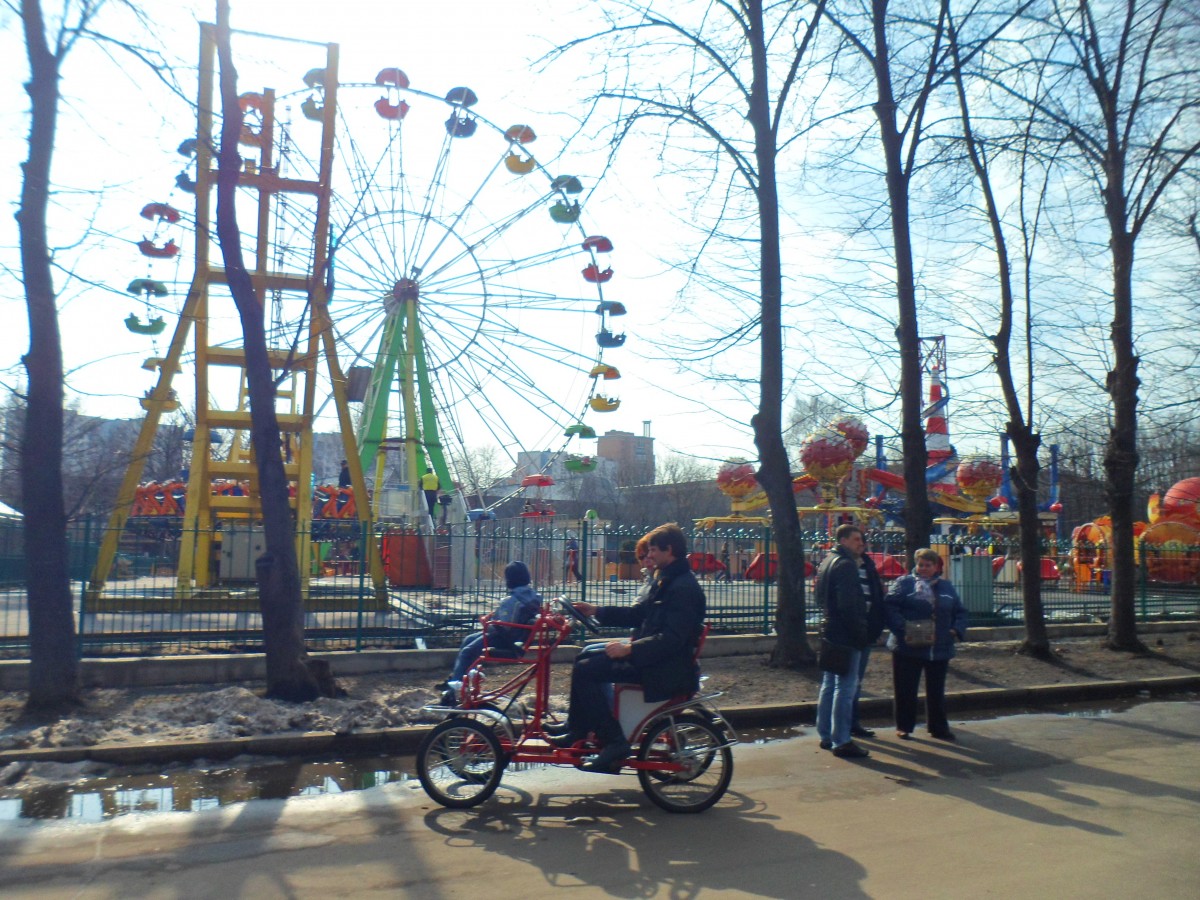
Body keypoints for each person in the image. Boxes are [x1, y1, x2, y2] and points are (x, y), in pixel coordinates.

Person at [550, 523, 706, 773]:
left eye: (653, 550)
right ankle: (578, 729)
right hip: (655, 661)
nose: (649, 556)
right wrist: (596, 611)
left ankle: (613, 741)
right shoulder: (668, 580)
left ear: (669, 550)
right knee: (583, 661)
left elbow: (671, 639)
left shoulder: (682, 588)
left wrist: (629, 650)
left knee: (588, 670)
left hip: (664, 669)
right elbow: (637, 614)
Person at [815, 523, 884, 759]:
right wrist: (859, 632)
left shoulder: (828, 561)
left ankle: (826, 734)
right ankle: (842, 740)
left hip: (831, 630)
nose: (861, 543)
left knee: (830, 684)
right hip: (847, 633)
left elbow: (819, 596)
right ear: (843, 540)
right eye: (856, 539)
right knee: (845, 687)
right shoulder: (846, 565)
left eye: (862, 540)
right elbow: (848, 604)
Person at [885, 547, 969, 741]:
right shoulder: (904, 584)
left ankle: (938, 727)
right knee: (905, 688)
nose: (923, 568)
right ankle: (904, 726)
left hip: (939, 648)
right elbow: (889, 607)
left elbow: (960, 611)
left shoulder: (946, 587)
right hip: (907, 646)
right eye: (920, 564)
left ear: (935, 567)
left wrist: (956, 630)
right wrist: (904, 629)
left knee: (936, 690)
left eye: (927, 565)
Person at [436, 561, 543, 705]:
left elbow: (503, 627)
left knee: (467, 651)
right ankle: (459, 679)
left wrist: (487, 623)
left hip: (505, 639)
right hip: (517, 636)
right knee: (468, 640)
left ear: (510, 579)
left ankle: (453, 690)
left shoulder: (512, 601)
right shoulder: (532, 596)